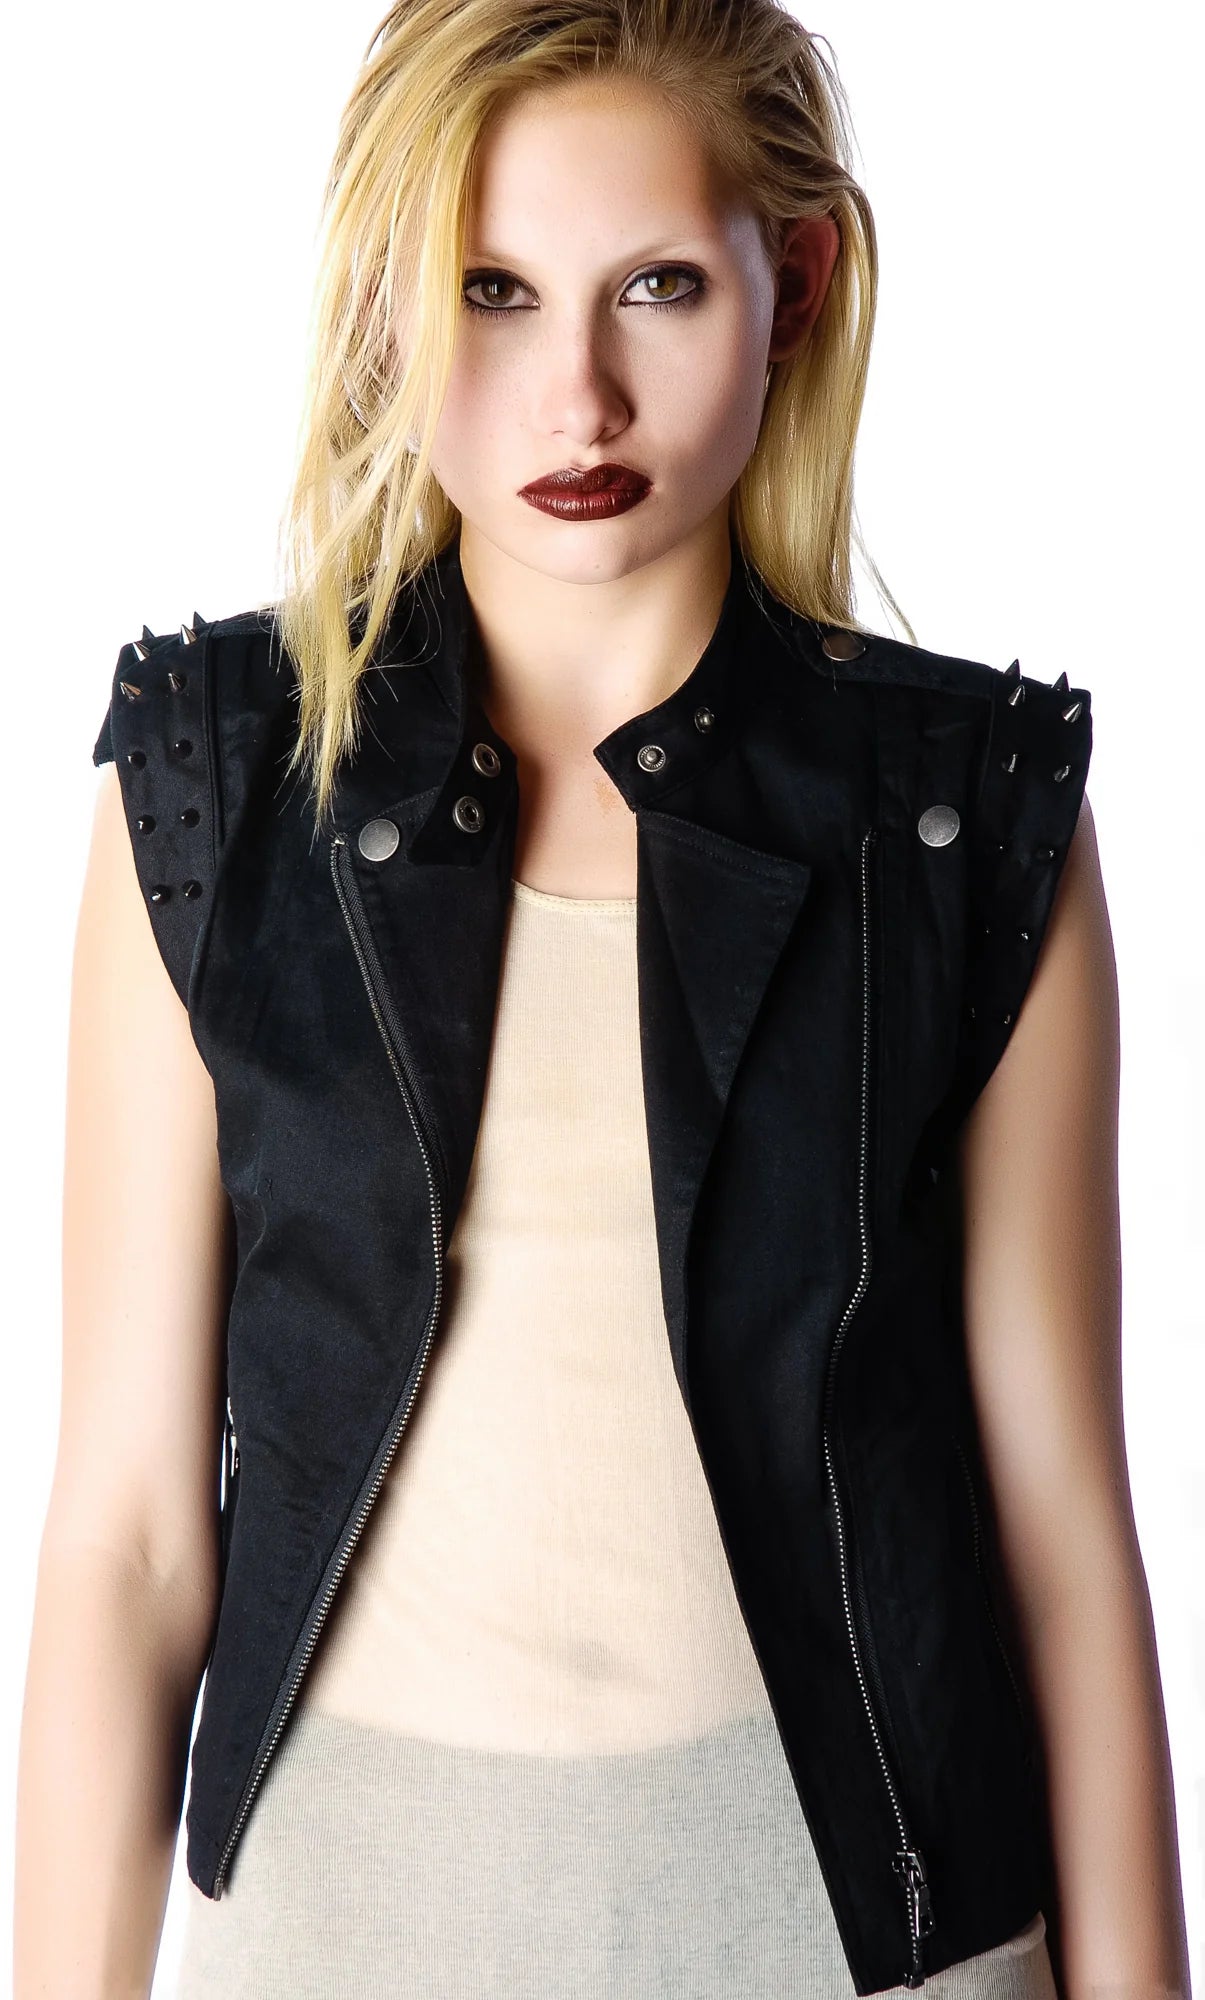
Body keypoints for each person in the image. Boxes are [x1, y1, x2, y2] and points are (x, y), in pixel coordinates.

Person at [14, 1, 1192, 1996]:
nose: (576, 393)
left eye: (656, 286)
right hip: (337, 1929)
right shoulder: (215, 783)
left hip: (867, 1938)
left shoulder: (962, 822)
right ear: (384, 304)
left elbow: (1062, 1521)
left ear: (792, 283)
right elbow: (125, 1532)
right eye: (491, 289)